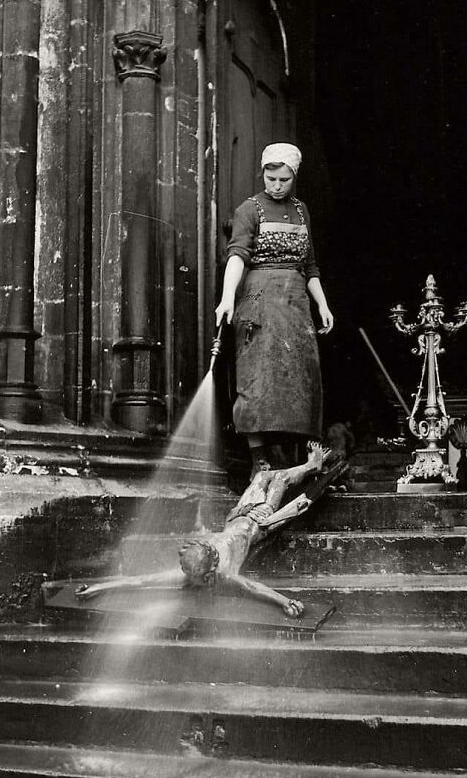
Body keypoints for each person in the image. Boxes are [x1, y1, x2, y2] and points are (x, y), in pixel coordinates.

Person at [72, 442, 343, 619]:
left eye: (193, 577)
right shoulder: (206, 572)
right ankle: (310, 465)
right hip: (249, 520)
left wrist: (285, 602)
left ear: (208, 569)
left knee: (267, 476)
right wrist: (99, 587)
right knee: (272, 477)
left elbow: (251, 586)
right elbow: (142, 581)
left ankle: (312, 466)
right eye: (189, 575)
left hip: (250, 518)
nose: (188, 580)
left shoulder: (217, 571)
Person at [215, 144, 333, 473]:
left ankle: (297, 460)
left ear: (294, 177)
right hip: (259, 302)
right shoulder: (248, 210)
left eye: (284, 179)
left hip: (295, 303)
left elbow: (310, 266)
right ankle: (259, 460)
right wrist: (227, 298)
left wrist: (322, 304)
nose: (277, 185)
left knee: (299, 379)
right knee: (258, 380)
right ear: (263, 174)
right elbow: (237, 256)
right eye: (271, 178)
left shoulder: (301, 210)